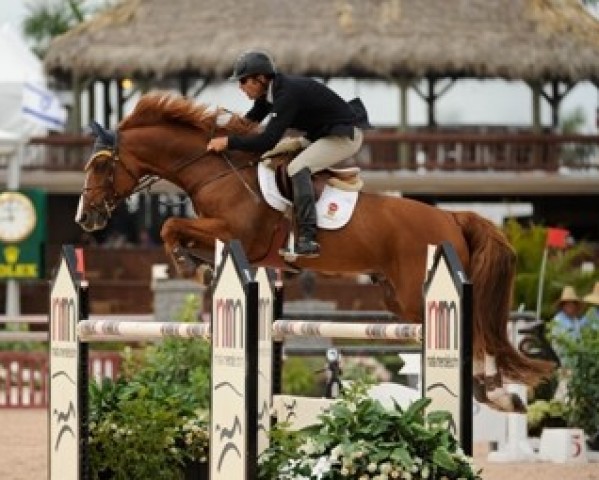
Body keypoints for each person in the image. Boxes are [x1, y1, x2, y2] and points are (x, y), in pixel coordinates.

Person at [207, 50, 371, 258]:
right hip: (321, 135)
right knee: (274, 156)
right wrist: (216, 125)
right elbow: (248, 123)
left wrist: (228, 142)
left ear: (260, 79)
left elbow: (267, 140)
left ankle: (308, 237)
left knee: (297, 167)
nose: (240, 87)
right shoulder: (269, 93)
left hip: (344, 136)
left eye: (243, 81)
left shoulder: (287, 95)